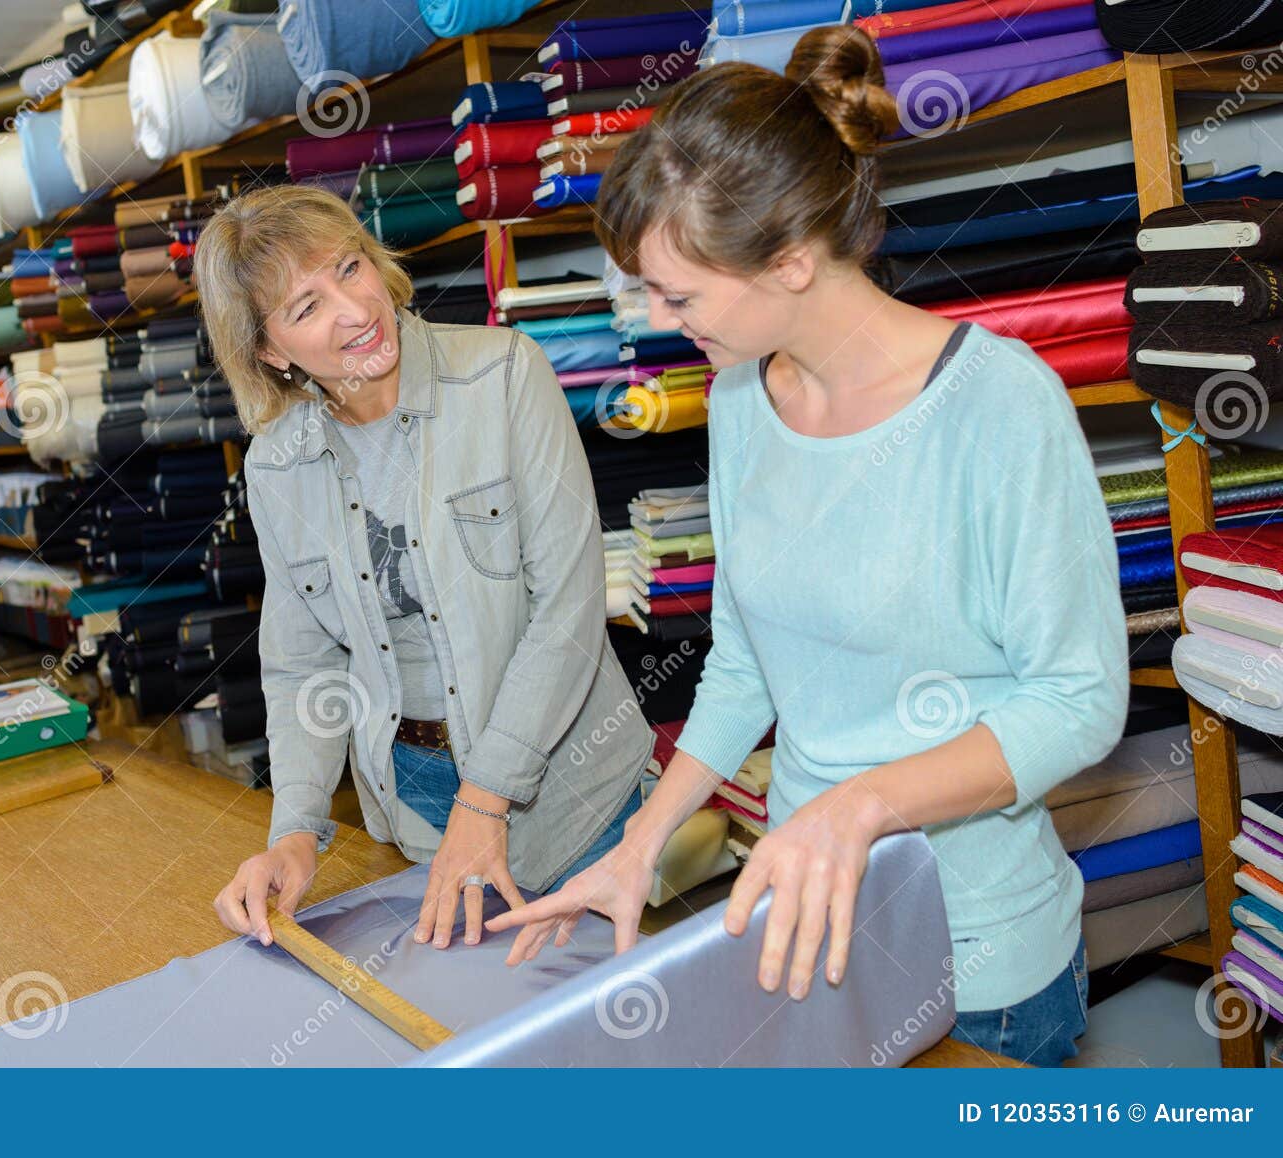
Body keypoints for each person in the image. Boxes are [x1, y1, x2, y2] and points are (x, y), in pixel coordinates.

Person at [489, 27, 1128, 1067]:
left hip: (982, 971)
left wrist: (858, 807)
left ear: (789, 262)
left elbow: (1078, 700)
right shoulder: (743, 394)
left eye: (677, 295)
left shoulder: (1000, 404)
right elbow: (743, 663)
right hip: (805, 943)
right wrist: (640, 849)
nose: (653, 320)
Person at [195, 185, 652, 952]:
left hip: (575, 806)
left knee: (615, 1043)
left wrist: (487, 799)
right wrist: (297, 830)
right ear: (269, 352)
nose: (353, 309)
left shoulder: (504, 373)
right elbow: (303, 663)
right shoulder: (277, 464)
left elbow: (569, 609)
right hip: (420, 806)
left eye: (350, 268)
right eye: (306, 307)